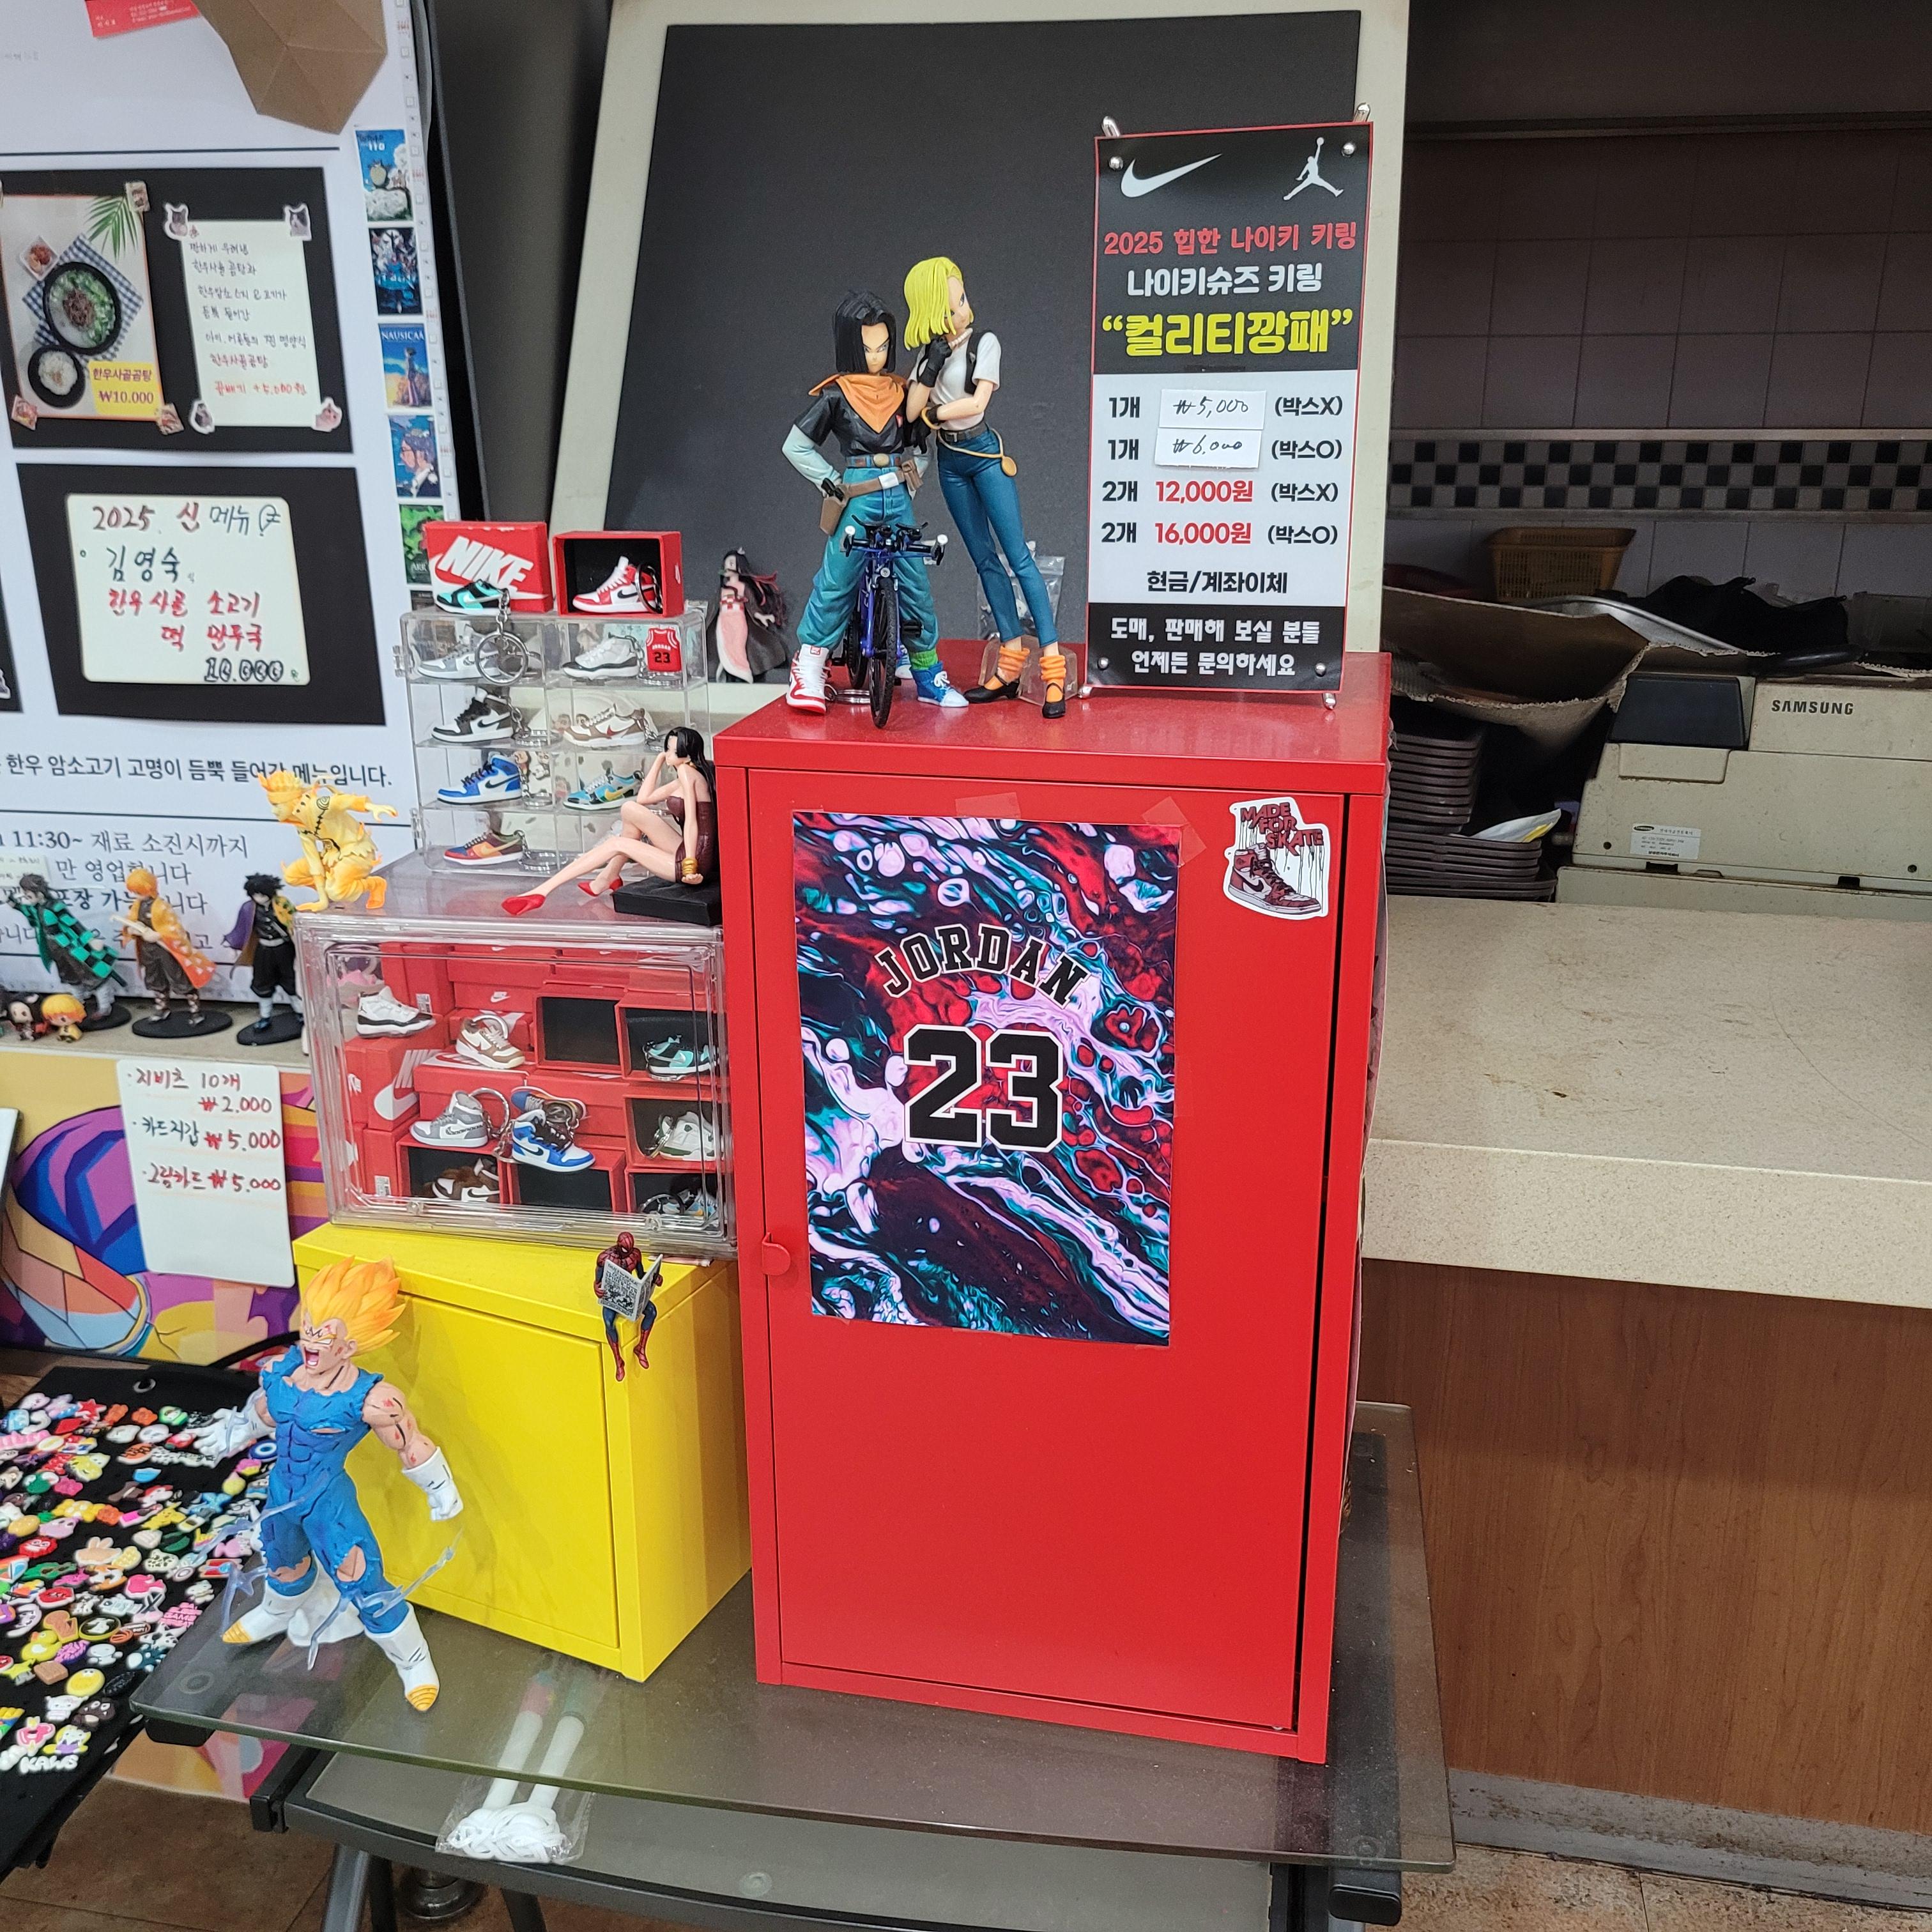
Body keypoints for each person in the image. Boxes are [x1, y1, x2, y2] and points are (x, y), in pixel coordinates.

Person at [195, 1257, 462, 1712]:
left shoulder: (372, 1399)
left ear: (350, 1345)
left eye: (325, 1334)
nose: (311, 1341)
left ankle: (414, 1660)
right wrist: (234, 1431)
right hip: (281, 1494)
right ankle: (275, 1614)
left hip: (328, 1504)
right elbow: (265, 1411)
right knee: (281, 1561)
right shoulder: (284, 1372)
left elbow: (409, 1441)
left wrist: (438, 1487)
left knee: (363, 1582)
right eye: (310, 1327)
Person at [781, 289, 963, 714]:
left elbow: (921, 445)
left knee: (916, 584)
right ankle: (809, 666)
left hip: (897, 496)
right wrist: (830, 481)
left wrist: (909, 482)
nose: (877, 356)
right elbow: (796, 445)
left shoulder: (902, 393)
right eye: (868, 348)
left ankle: (927, 672)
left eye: (883, 347)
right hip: (858, 493)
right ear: (851, 346)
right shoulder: (837, 395)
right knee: (837, 580)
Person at [904, 256, 1066, 719]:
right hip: (950, 463)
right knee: (984, 560)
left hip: (984, 455)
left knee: (1018, 557)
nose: (964, 309)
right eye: (953, 305)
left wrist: (935, 413)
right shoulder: (930, 355)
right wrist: (930, 369)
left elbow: (976, 403)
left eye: (962, 299)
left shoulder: (984, 343)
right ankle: (1009, 663)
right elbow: (911, 410)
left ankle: (1052, 669)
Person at [502, 726, 716, 914]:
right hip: (690, 848)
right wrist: (660, 760)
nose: (668, 753)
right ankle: (609, 876)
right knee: (630, 809)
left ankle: (541, 891)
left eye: (673, 750)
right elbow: (644, 799)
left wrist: (690, 866)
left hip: (694, 859)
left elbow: (692, 823)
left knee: (616, 843)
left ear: (687, 754)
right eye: (667, 748)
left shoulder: (687, 773)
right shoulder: (688, 774)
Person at [6, 873, 120, 1022]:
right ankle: (77, 1003)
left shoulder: (56, 907)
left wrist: (90, 939)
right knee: (70, 977)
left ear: (39, 893)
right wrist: (14, 904)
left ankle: (105, 1007)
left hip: (72, 948)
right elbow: (26, 911)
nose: (27, 898)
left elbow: (74, 924)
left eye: (29, 895)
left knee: (93, 976)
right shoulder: (36, 908)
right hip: (55, 949)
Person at [226, 872, 302, 1044]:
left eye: (262, 894)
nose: (259, 898)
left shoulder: (282, 905)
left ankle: (301, 1013)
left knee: (291, 981)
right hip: (264, 950)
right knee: (262, 983)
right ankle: (265, 1016)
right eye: (255, 895)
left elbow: (295, 924)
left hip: (284, 949)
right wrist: (235, 947)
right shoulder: (249, 909)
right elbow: (241, 929)